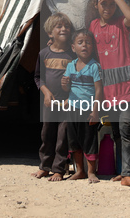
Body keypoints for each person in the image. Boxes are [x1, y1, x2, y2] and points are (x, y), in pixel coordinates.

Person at [89, 0, 130, 188]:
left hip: (127, 87)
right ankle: (123, 172)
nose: (108, 8)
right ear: (96, 5)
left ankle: (128, 174)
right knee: (116, 134)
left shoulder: (121, 23)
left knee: (127, 129)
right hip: (108, 89)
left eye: (112, 4)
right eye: (104, 3)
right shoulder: (93, 26)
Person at [32, 12, 75, 181]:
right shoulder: (44, 54)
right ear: (50, 33)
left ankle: (59, 169)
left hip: (67, 103)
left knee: (62, 136)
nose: (63, 29)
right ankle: (44, 166)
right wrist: (46, 93)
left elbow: (80, 78)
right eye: (59, 26)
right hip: (49, 102)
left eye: (66, 26)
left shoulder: (74, 55)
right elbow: (37, 77)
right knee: (47, 134)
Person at [62, 29, 104, 184]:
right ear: (73, 47)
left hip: (88, 110)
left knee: (89, 140)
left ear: (92, 46)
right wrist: (64, 85)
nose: (84, 45)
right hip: (73, 108)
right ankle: (79, 170)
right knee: (74, 140)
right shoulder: (71, 66)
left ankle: (91, 172)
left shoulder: (94, 66)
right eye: (80, 42)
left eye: (88, 42)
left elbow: (99, 89)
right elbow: (67, 88)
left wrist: (95, 111)